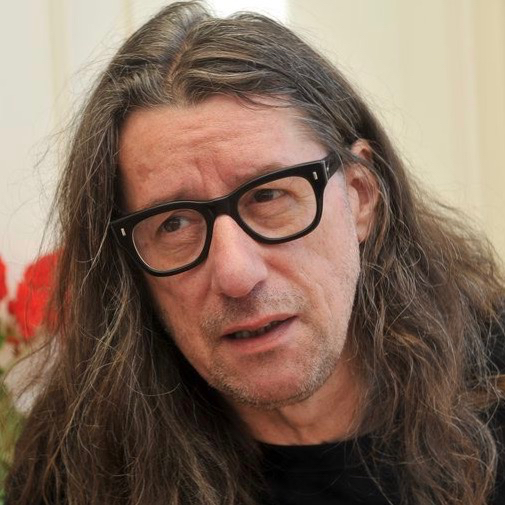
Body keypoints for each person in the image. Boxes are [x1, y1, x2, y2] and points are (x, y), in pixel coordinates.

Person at [4, 2, 505, 504]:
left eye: (268, 196)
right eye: (174, 223)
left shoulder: (494, 383)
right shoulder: (75, 465)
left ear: (360, 195)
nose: (236, 273)